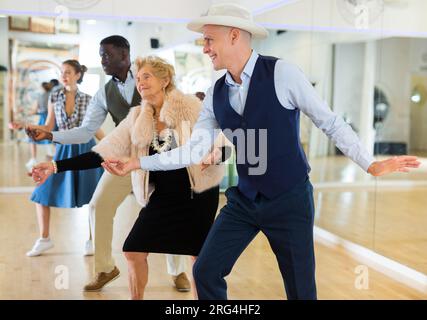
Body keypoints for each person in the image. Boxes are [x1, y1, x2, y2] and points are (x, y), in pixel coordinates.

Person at [97, 3, 421, 300]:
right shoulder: (215, 93)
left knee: (300, 290)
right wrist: (138, 162)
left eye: (209, 40)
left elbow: (330, 122)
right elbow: (193, 151)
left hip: (289, 199)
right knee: (205, 271)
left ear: (234, 36)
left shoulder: (282, 73)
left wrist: (370, 164)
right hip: (245, 200)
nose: (205, 47)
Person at [31, 56, 227, 299]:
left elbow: (223, 143)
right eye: (138, 78)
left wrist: (216, 154)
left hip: (196, 195)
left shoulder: (190, 108)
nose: (140, 82)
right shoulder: (136, 117)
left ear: (165, 80)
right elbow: (102, 152)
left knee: (198, 259)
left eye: (147, 76)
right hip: (163, 197)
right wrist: (54, 166)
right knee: (133, 250)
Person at [26, 59, 104, 257]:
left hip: (86, 150)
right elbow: (50, 126)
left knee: (94, 198)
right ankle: (44, 239)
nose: (64, 75)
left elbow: (94, 129)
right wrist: (32, 128)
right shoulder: (55, 96)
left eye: (68, 71)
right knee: (41, 193)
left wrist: (112, 148)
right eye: (62, 71)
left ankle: (92, 240)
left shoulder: (88, 99)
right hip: (63, 151)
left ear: (78, 74)